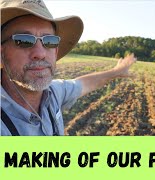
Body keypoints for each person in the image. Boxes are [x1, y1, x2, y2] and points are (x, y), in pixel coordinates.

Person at [0, 0, 136, 136]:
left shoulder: (53, 93)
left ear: (56, 51)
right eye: (24, 41)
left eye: (50, 41)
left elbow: (84, 84)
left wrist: (117, 71)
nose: (40, 54)